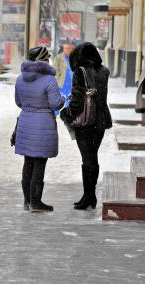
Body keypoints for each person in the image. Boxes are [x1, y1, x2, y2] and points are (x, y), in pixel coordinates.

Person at [60, 42, 112, 210]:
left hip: (85, 123)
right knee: (92, 158)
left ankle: (89, 196)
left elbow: (76, 101)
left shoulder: (79, 72)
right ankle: (89, 196)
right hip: (101, 121)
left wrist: (66, 114)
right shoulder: (104, 71)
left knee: (87, 159)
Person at [15, 46, 64, 212]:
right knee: (39, 163)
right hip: (43, 124)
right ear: (44, 59)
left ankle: (27, 201)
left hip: (25, 122)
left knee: (28, 162)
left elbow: (19, 102)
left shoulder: (20, 79)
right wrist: (63, 98)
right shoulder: (49, 80)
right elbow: (55, 103)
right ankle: (36, 202)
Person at [53, 43, 73, 116]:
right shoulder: (58, 58)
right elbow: (54, 69)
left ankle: (67, 114)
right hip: (62, 82)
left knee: (69, 99)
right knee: (59, 99)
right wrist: (57, 79)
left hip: (71, 83)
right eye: (66, 48)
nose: (68, 50)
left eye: (70, 48)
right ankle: (55, 114)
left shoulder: (73, 58)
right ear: (64, 49)